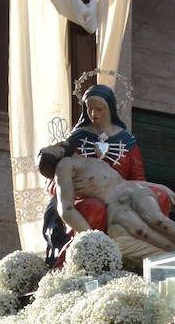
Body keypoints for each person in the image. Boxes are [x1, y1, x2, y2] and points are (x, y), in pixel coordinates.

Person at [44, 84, 158, 262]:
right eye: (89, 109)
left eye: (99, 109)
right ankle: (91, 253)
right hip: (83, 198)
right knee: (94, 208)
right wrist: (71, 186)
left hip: (120, 195)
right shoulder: (77, 138)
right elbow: (53, 178)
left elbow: (138, 178)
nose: (94, 114)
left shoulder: (127, 141)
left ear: (110, 109)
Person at [38, 144, 175, 267]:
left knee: (159, 220)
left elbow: (122, 181)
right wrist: (94, 238)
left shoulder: (89, 159)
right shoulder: (65, 165)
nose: (58, 143)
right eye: (53, 147)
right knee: (143, 232)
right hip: (115, 204)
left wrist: (161, 186)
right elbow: (66, 209)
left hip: (133, 190)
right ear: (58, 155)